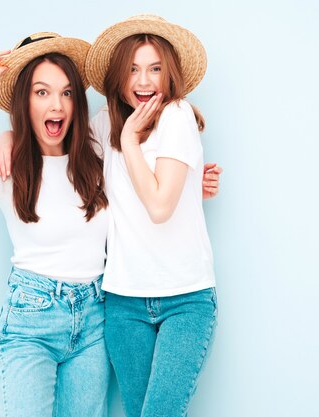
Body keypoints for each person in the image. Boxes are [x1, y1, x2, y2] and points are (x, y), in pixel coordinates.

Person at [0, 33, 111, 417]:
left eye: (66, 93)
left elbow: (146, 117)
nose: (57, 104)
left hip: (96, 319)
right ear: (25, 102)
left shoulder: (98, 150)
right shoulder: (9, 169)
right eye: (42, 92)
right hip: (32, 320)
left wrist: (188, 179)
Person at [85, 14, 217, 417]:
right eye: (133, 69)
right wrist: (6, 138)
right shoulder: (102, 125)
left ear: (169, 75)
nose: (144, 81)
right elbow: (54, 152)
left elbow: (159, 207)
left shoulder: (177, 116)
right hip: (123, 301)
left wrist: (128, 142)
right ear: (118, 78)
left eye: (155, 69)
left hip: (185, 297)